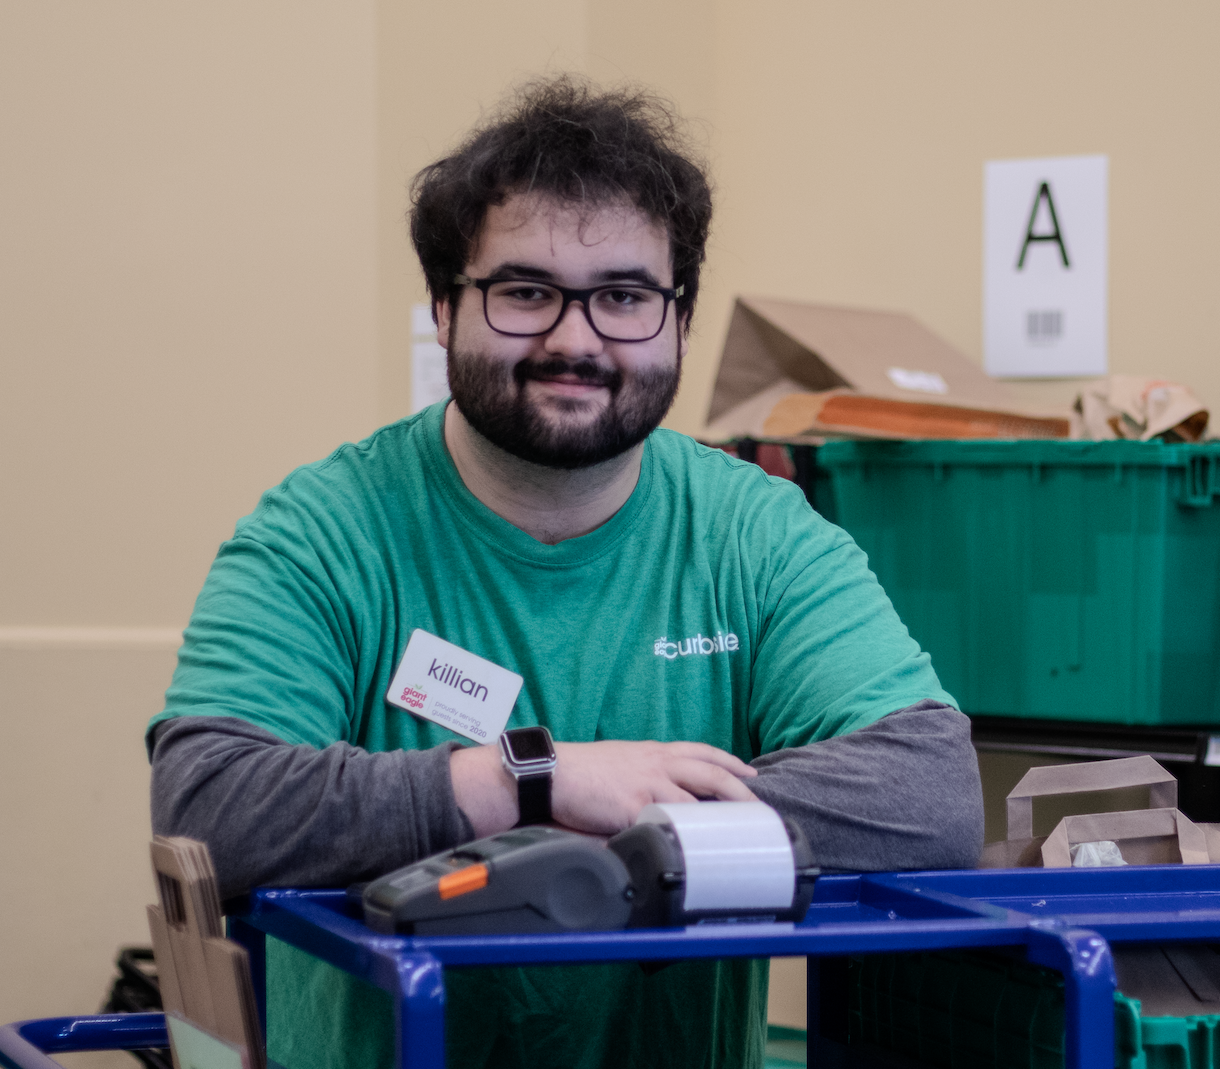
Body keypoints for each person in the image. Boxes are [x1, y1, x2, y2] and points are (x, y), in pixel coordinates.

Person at [146, 76, 984, 1069]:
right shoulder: (323, 531)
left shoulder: (757, 534)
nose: (574, 339)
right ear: (444, 307)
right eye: (525, 291)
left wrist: (640, 822)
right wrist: (532, 781)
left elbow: (928, 797)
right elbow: (209, 809)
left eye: (624, 296)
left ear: (679, 317)